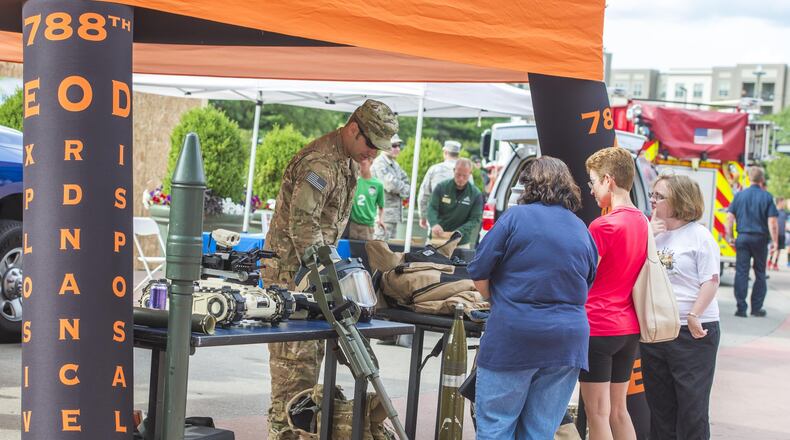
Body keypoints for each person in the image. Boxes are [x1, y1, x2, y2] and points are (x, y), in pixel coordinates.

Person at [261, 99, 398, 439]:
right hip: (290, 278)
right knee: (295, 373)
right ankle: (283, 431)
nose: (372, 155)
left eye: (379, 150)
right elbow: (304, 225)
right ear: (353, 130)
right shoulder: (321, 163)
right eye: (370, 146)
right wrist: (331, 274)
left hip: (312, 278)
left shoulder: (349, 159)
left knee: (310, 369)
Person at [468, 156, 598, 439]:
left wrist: (501, 300)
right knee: (540, 432)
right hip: (567, 342)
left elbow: (479, 272)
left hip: (514, 336)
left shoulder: (515, 218)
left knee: (496, 427)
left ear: (529, 184)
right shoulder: (581, 229)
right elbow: (587, 283)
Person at [641, 174, 721, 440]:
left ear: (679, 200)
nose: (652, 200)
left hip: (693, 331)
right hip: (658, 329)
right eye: (652, 195)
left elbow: (710, 281)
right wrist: (647, 237)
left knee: (691, 407)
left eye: (659, 196)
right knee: (660, 406)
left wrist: (695, 314)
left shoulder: (700, 237)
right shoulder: (650, 233)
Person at [582, 147, 646, 440]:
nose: (592, 190)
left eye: (593, 181)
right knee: (620, 412)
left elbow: (583, 277)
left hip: (597, 326)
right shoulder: (643, 222)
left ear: (608, 180)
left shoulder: (603, 225)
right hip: (629, 328)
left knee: (597, 416)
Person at [725, 165, 779, 317]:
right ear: (761, 179)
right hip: (760, 239)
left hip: (742, 238)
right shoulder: (767, 197)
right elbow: (773, 222)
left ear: (749, 178)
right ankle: (756, 308)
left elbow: (729, 218)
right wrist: (775, 242)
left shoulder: (739, 196)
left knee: (742, 271)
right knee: (760, 273)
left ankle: (741, 308)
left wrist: (730, 236)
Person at [426, 158, 482, 248]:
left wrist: (459, 232)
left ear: (470, 174)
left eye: (465, 176)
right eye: (458, 174)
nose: (461, 178)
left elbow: (475, 219)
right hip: (438, 238)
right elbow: (432, 207)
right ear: (454, 171)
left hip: (461, 242)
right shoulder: (441, 187)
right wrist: (434, 223)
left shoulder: (476, 194)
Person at [371, 134, 410, 241]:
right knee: (380, 248)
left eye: (399, 146)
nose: (397, 149)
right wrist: (403, 188)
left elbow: (407, 182)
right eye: (394, 146)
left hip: (393, 216)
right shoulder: (380, 163)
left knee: (390, 248)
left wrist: (402, 188)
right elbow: (390, 185)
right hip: (383, 216)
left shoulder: (394, 164)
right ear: (385, 146)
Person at [418, 140, 461, 228]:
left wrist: (423, 216)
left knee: (434, 241)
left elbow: (423, 196)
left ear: (445, 152)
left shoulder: (434, 169)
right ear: (458, 154)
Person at [348, 158, 385, 240]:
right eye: (358, 165)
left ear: (370, 163)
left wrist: (381, 219)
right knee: (350, 249)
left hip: (367, 226)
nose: (360, 167)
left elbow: (381, 206)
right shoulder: (354, 181)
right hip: (353, 224)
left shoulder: (378, 185)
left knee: (365, 250)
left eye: (363, 164)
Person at [768, 197, 785, 270]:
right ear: (779, 202)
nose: (783, 203)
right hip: (775, 233)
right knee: (773, 248)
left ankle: (775, 263)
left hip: (782, 233)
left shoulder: (784, 212)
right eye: (782, 202)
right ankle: (770, 261)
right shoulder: (774, 211)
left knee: (779, 249)